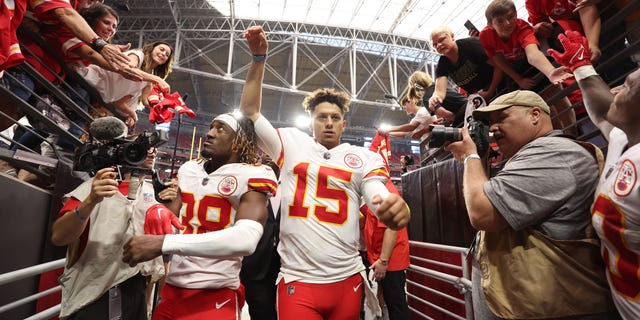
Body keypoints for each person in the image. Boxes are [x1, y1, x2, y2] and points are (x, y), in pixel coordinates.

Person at [240, 25, 410, 319]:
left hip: (347, 278)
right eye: (322, 117)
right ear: (312, 122)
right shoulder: (291, 143)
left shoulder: (363, 157)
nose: (329, 122)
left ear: (344, 124)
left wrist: (390, 206)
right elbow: (251, 113)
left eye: (335, 118)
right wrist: (259, 59)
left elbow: (375, 193)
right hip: (298, 279)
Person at [445, 90, 617, 319]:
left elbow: (482, 213)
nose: (493, 129)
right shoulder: (529, 156)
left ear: (535, 115)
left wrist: (471, 157)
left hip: (557, 310)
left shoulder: (556, 153)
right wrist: (479, 158)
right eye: (490, 123)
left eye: (501, 118)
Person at [122, 113, 278, 320]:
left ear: (239, 142)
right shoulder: (190, 170)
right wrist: (158, 211)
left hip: (215, 293)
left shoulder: (253, 174)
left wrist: (164, 242)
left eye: (221, 129)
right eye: (211, 127)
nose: (210, 133)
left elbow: (246, 240)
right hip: (172, 290)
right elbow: (174, 217)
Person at [549, 30, 640, 319]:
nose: (615, 89)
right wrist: (582, 67)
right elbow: (603, 113)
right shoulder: (622, 140)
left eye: (626, 85)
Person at [50, 128, 179, 319]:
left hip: (137, 289)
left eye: (153, 148)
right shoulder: (95, 187)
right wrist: (90, 201)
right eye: (143, 147)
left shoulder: (154, 193)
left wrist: (173, 205)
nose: (151, 152)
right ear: (126, 150)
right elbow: (59, 237)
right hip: (97, 292)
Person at [479, 0, 577, 135]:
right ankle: (560, 138)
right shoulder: (485, 35)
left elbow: (533, 54)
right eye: (500, 21)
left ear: (516, 14)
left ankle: (573, 134)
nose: (507, 23)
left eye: (510, 17)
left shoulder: (523, 28)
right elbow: (499, 61)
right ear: (491, 24)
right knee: (543, 109)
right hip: (515, 71)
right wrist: (518, 79)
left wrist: (551, 72)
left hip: (537, 65)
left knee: (559, 99)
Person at [240, 154, 281, 320]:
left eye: (273, 153)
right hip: (256, 266)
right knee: (260, 314)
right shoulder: (247, 185)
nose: (268, 157)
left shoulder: (295, 186)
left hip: (288, 266)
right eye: (264, 154)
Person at [428, 25, 503, 106]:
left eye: (442, 40)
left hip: (501, 85)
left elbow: (499, 65)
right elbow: (439, 91)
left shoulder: (470, 45)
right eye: (435, 45)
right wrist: (434, 97)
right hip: (482, 96)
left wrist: (490, 92)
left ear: (452, 36)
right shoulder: (443, 63)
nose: (438, 45)